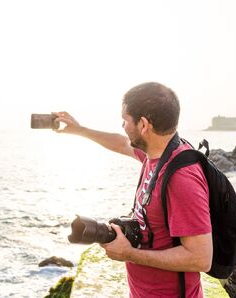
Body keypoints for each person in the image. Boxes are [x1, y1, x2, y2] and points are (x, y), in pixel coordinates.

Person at [53, 82, 212, 298]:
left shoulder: (180, 177)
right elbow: (121, 143)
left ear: (144, 125)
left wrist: (130, 254)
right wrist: (79, 130)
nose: (123, 126)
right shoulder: (155, 153)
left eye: (125, 120)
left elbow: (200, 257)